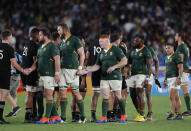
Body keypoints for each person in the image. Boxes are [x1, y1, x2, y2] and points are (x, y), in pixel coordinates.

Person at [81, 33, 127, 123]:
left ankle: (123, 115)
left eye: (101, 42)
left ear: (107, 41)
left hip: (115, 77)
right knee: (105, 96)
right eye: (99, 42)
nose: (100, 44)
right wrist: (86, 70)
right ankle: (104, 117)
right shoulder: (101, 52)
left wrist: (114, 67)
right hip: (104, 78)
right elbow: (97, 66)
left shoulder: (116, 50)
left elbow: (124, 61)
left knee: (118, 96)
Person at [57, 23, 86, 123]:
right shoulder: (61, 42)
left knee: (76, 92)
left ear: (65, 29)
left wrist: (80, 68)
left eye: (59, 30)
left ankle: (83, 116)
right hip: (62, 70)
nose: (58, 32)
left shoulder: (75, 39)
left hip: (73, 70)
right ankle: (63, 117)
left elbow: (82, 55)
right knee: (62, 92)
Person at [0, 30, 29, 124]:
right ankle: (1, 118)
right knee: (3, 95)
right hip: (4, 74)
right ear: (9, 37)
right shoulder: (9, 48)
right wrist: (22, 70)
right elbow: (14, 63)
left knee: (2, 95)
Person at [36, 28, 61, 124]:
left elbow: (57, 59)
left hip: (49, 75)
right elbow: (38, 61)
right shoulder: (41, 47)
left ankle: (46, 118)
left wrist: (57, 74)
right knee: (47, 95)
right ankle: (56, 117)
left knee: (49, 95)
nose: (39, 37)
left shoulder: (52, 46)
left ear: (45, 35)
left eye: (40, 35)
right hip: (42, 75)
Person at [85, 30, 109, 122]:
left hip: (94, 71)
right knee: (108, 94)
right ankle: (108, 114)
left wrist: (86, 66)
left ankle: (93, 116)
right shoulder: (107, 45)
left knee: (95, 94)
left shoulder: (92, 44)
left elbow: (88, 56)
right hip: (104, 71)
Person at [128, 36, 152, 122]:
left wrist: (147, 78)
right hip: (133, 75)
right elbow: (129, 62)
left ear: (141, 42)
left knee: (140, 94)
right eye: (133, 40)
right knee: (132, 94)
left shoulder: (146, 50)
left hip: (142, 75)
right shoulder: (132, 51)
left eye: (136, 41)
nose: (134, 42)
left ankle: (141, 115)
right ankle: (140, 113)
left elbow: (149, 65)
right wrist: (128, 70)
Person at [22, 28, 43, 123]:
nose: (39, 36)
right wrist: (38, 73)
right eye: (38, 35)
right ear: (35, 35)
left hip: (25, 72)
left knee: (29, 94)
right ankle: (27, 117)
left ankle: (29, 114)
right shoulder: (35, 46)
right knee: (30, 95)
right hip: (31, 73)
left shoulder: (26, 44)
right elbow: (35, 61)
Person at [163, 43, 183, 120]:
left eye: (169, 48)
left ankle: (172, 114)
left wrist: (179, 78)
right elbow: (166, 69)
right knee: (176, 97)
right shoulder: (166, 58)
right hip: (169, 79)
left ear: (173, 48)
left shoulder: (176, 56)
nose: (167, 50)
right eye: (166, 48)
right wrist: (164, 80)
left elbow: (180, 67)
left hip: (175, 78)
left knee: (172, 97)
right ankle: (179, 114)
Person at [174, 33, 191, 116]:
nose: (175, 37)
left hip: (182, 70)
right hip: (185, 69)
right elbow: (188, 55)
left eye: (176, 35)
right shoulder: (185, 46)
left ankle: (176, 110)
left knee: (175, 90)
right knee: (183, 90)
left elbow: (180, 59)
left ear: (179, 37)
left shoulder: (180, 46)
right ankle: (184, 109)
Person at [145, 43, 159, 121]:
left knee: (148, 94)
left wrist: (156, 72)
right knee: (138, 95)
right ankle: (141, 114)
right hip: (138, 75)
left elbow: (156, 61)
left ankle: (149, 113)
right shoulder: (134, 51)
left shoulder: (149, 49)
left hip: (148, 74)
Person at [5, 52, 22, 118]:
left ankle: (15, 107)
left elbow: (12, 65)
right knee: (13, 94)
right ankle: (13, 112)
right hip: (17, 76)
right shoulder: (16, 53)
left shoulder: (7, 53)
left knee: (4, 92)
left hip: (11, 76)